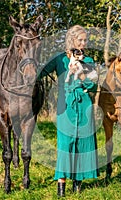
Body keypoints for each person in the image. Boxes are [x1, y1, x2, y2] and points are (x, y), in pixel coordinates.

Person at [39, 25, 99, 197]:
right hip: (65, 107)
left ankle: (77, 185)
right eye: (80, 40)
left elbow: (93, 85)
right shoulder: (60, 60)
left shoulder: (89, 61)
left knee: (81, 144)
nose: (83, 43)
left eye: (85, 40)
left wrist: (81, 75)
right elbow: (40, 72)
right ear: (71, 40)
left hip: (85, 105)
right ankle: (61, 187)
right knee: (65, 145)